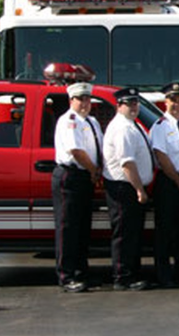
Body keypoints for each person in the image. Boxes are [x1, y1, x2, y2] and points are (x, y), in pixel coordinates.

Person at [52, 81, 104, 293]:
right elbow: (77, 151)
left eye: (87, 98)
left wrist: (96, 169)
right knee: (68, 228)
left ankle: (81, 273)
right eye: (80, 99)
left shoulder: (91, 122)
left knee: (83, 228)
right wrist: (94, 170)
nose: (85, 102)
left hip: (85, 177)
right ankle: (66, 275)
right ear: (71, 100)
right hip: (71, 176)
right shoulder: (69, 121)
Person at [102, 87, 154, 291]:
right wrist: (140, 190)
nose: (133, 107)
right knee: (124, 233)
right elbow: (127, 164)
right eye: (129, 103)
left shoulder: (131, 125)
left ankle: (131, 273)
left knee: (133, 233)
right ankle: (122, 277)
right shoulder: (122, 128)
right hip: (125, 188)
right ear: (119, 105)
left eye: (135, 103)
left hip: (130, 186)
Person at [149, 81, 179, 287]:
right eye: (172, 100)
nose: (176, 104)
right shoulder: (160, 127)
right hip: (169, 182)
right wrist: (178, 180)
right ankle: (164, 274)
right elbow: (161, 155)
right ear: (165, 102)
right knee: (165, 231)